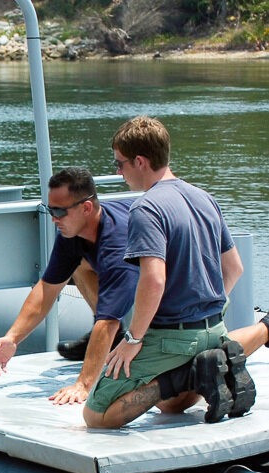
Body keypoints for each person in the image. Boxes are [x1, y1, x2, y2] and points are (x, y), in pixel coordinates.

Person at [84, 115, 267, 428]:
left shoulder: (146, 208)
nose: (118, 172)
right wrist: (207, 309)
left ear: (140, 162)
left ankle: (186, 375)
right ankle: (234, 347)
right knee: (170, 407)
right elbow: (234, 267)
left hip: (171, 339)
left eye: (120, 163)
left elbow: (154, 280)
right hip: (214, 328)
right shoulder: (204, 198)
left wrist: (133, 339)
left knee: (96, 416)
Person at [0, 167, 138, 405]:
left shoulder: (117, 245)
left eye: (59, 211)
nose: (54, 219)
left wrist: (83, 385)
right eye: (50, 210)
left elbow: (109, 321)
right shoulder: (72, 234)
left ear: (86, 208)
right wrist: (12, 337)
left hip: (169, 278)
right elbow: (47, 288)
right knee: (76, 265)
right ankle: (111, 339)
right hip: (127, 274)